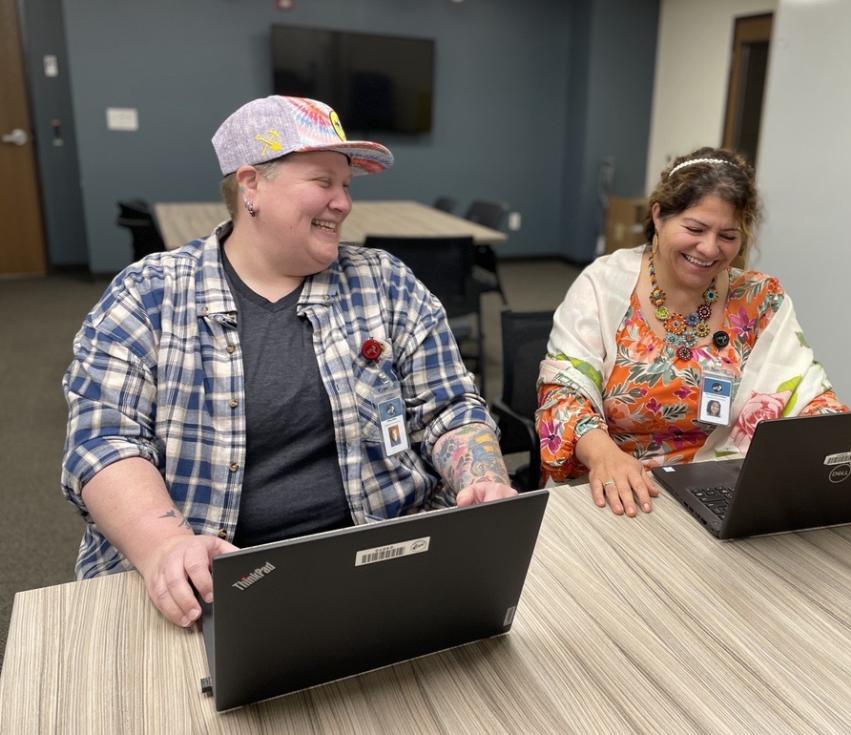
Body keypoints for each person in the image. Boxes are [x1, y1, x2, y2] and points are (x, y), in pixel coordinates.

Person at [61, 95, 516, 628]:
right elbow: (103, 442)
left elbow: (450, 408)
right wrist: (164, 544)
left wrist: (482, 478)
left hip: (380, 566)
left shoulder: (386, 283)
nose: (343, 203)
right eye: (323, 182)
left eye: (346, 186)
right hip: (213, 582)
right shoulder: (148, 296)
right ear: (251, 185)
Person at [537, 147, 851, 518]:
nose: (708, 249)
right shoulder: (603, 286)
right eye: (695, 228)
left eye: (728, 236)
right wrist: (604, 454)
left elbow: (806, 396)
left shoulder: (758, 299)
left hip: (721, 490)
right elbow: (564, 393)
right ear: (658, 216)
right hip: (615, 492)